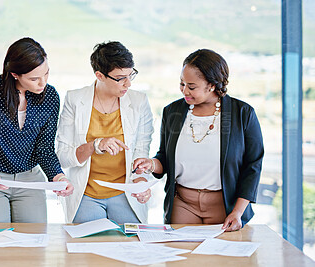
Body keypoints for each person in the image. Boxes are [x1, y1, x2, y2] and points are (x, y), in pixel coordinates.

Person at [133, 49, 264, 231]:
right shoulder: (173, 112)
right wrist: (151, 164)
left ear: (211, 85)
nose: (184, 91)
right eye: (182, 84)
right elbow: (164, 158)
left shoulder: (242, 114)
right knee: (181, 257)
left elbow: (253, 166)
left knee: (222, 259)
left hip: (225, 206)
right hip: (183, 204)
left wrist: (238, 212)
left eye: (191, 87)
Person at [0, 37, 74, 223]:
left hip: (29, 179)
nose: (42, 83)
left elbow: (44, 148)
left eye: (46, 74)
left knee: (33, 244)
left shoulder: (50, 97)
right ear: (15, 74)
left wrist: (59, 176)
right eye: (34, 78)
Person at [56, 41, 154, 224]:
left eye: (131, 75)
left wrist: (141, 182)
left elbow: (141, 153)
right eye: (120, 78)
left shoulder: (139, 102)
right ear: (100, 75)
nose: (128, 83)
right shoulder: (75, 100)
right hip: (86, 193)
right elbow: (63, 156)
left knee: (131, 247)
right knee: (87, 248)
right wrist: (96, 145)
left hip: (125, 193)